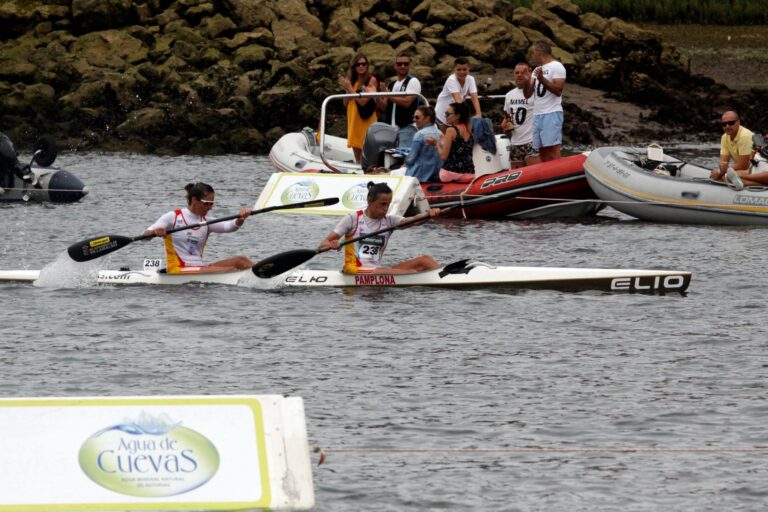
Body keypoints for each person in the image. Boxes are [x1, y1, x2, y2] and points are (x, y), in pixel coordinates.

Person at [318, 182, 441, 274]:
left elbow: (414, 221)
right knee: (411, 273)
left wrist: (427, 215)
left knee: (425, 260)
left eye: (388, 204)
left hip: (378, 270)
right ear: (370, 201)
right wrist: (331, 244)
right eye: (382, 204)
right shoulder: (353, 218)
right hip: (354, 270)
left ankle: (447, 277)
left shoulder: (389, 221)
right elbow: (323, 244)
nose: (386, 208)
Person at [144, 182, 252, 274]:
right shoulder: (173, 217)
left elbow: (228, 226)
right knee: (230, 270)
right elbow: (145, 236)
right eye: (207, 204)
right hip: (178, 269)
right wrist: (154, 232)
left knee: (242, 261)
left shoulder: (207, 222)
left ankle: (264, 278)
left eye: (212, 204)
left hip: (199, 268)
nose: (210, 208)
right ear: (195, 200)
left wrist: (240, 219)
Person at [527, 40, 566, 162]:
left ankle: (559, 176)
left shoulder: (557, 66)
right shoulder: (537, 69)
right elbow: (528, 94)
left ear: (539, 52)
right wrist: (526, 79)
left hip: (551, 113)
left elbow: (558, 90)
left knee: (553, 150)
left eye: (534, 53)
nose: (533, 56)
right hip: (537, 114)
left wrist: (542, 79)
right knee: (542, 151)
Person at [708, 111, 768, 189]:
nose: (727, 126)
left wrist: (724, 172)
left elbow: (743, 165)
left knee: (736, 175)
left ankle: (733, 179)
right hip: (754, 169)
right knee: (732, 176)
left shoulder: (745, 136)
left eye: (731, 123)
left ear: (738, 122)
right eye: (724, 124)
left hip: (755, 168)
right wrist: (721, 171)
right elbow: (723, 163)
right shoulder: (724, 137)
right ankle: (734, 179)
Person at [338, 52, 379, 164]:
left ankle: (367, 168)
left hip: (365, 118)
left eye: (364, 64)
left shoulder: (371, 80)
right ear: (354, 67)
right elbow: (345, 103)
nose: (361, 66)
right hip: (353, 116)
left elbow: (363, 102)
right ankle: (357, 165)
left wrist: (350, 90)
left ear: (367, 65)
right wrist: (347, 89)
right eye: (358, 64)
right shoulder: (353, 81)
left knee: (366, 147)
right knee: (356, 147)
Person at [377, 51, 421, 148]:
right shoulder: (392, 84)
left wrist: (387, 94)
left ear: (409, 65)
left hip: (407, 128)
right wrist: (376, 95)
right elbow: (384, 107)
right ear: (395, 66)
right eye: (399, 64)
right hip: (390, 128)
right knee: (389, 159)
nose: (402, 66)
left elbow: (407, 102)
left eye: (405, 64)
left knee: (404, 159)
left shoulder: (413, 81)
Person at [502, 62, 540, 168]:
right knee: (517, 178)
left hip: (531, 141)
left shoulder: (535, 91)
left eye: (523, 72)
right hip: (515, 142)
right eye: (516, 73)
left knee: (535, 176)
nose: (519, 75)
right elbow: (507, 116)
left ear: (529, 73)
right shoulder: (509, 95)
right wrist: (505, 123)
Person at [426, 102, 475, 183]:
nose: (445, 116)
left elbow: (443, 157)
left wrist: (436, 144)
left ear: (457, 116)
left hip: (450, 173)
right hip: (469, 173)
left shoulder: (451, 130)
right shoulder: (469, 130)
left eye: (447, 113)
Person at [433, 57, 482, 127]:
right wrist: (465, 119)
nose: (462, 72)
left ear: (469, 70)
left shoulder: (471, 79)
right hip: (442, 114)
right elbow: (458, 100)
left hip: (455, 113)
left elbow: (474, 98)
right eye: (459, 70)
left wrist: (478, 114)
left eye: (464, 69)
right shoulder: (451, 80)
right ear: (454, 70)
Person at [404, 106, 443, 183]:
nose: (414, 120)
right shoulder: (440, 133)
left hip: (420, 177)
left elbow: (410, 160)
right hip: (437, 176)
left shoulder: (420, 134)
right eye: (413, 117)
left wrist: (404, 161)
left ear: (427, 118)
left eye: (417, 117)